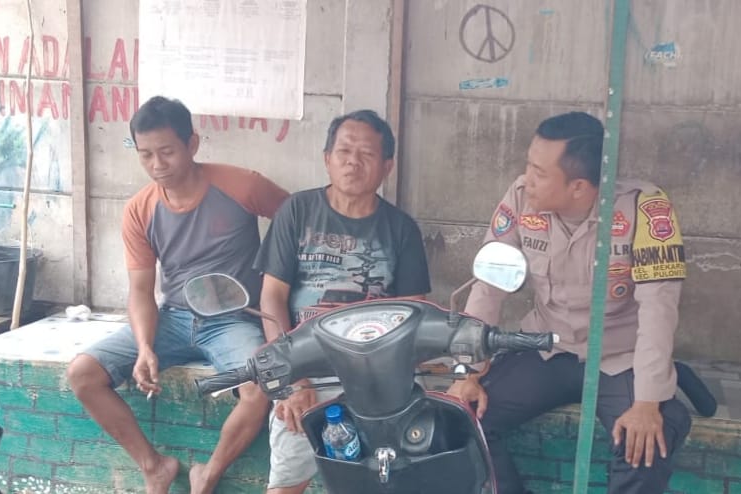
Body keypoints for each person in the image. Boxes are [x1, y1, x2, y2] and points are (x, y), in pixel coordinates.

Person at [448, 111, 692, 493]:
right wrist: (467, 373)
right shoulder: (520, 198)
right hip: (546, 347)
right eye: (529, 165)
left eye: (539, 173)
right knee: (463, 418)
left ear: (578, 186)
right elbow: (488, 285)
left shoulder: (644, 211)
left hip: (619, 357)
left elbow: (658, 311)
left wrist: (647, 402)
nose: (527, 179)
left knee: (646, 444)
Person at [66, 96, 289, 494]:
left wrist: (274, 275)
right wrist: (144, 347)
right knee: (82, 374)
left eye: (167, 152)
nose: (157, 164)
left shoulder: (242, 185)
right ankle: (154, 467)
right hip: (173, 318)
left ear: (192, 144)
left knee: (259, 388)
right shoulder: (140, 209)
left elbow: (297, 220)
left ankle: (208, 474)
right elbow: (140, 290)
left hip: (234, 320)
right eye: (146, 155)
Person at [253, 109, 432, 493]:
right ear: (327, 159)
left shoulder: (401, 229)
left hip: (379, 371)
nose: (353, 162)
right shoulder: (297, 211)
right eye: (344, 151)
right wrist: (293, 378)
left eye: (367, 154)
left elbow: (413, 316)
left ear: (387, 166)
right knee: (286, 480)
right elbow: (272, 297)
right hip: (305, 365)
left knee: (396, 473)